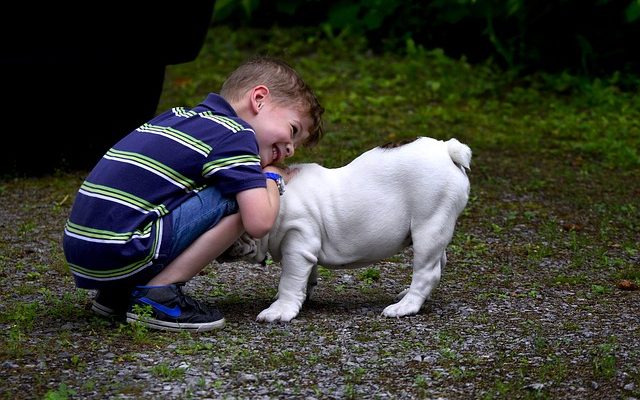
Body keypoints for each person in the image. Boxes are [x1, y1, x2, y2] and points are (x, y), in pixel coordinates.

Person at [62, 56, 325, 332]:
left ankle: (118, 295)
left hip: (84, 251)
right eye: (293, 130)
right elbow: (259, 222)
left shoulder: (176, 117)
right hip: (124, 248)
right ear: (258, 99)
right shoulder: (236, 136)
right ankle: (159, 295)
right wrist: (271, 177)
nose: (291, 150)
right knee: (239, 195)